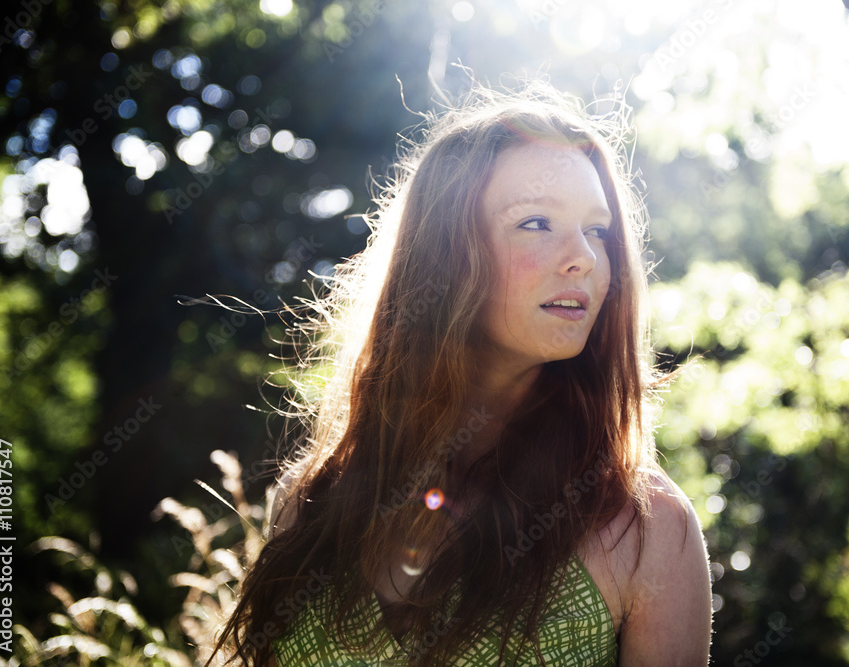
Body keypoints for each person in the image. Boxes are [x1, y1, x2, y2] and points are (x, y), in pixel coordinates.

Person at [212, 80, 712, 666]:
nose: (584, 256)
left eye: (597, 230)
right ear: (444, 252)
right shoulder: (309, 506)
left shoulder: (647, 531)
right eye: (536, 223)